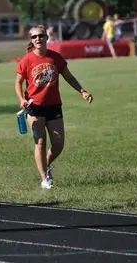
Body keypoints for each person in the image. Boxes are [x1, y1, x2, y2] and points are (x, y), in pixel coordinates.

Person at [15, 25, 93, 189]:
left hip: (54, 106)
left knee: (58, 144)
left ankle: (47, 163)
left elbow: (69, 77)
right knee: (40, 142)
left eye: (41, 35)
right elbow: (18, 83)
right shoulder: (26, 60)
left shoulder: (55, 58)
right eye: (34, 36)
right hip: (34, 107)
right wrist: (22, 99)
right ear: (31, 39)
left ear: (46, 37)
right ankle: (44, 179)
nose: (38, 39)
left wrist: (82, 92)